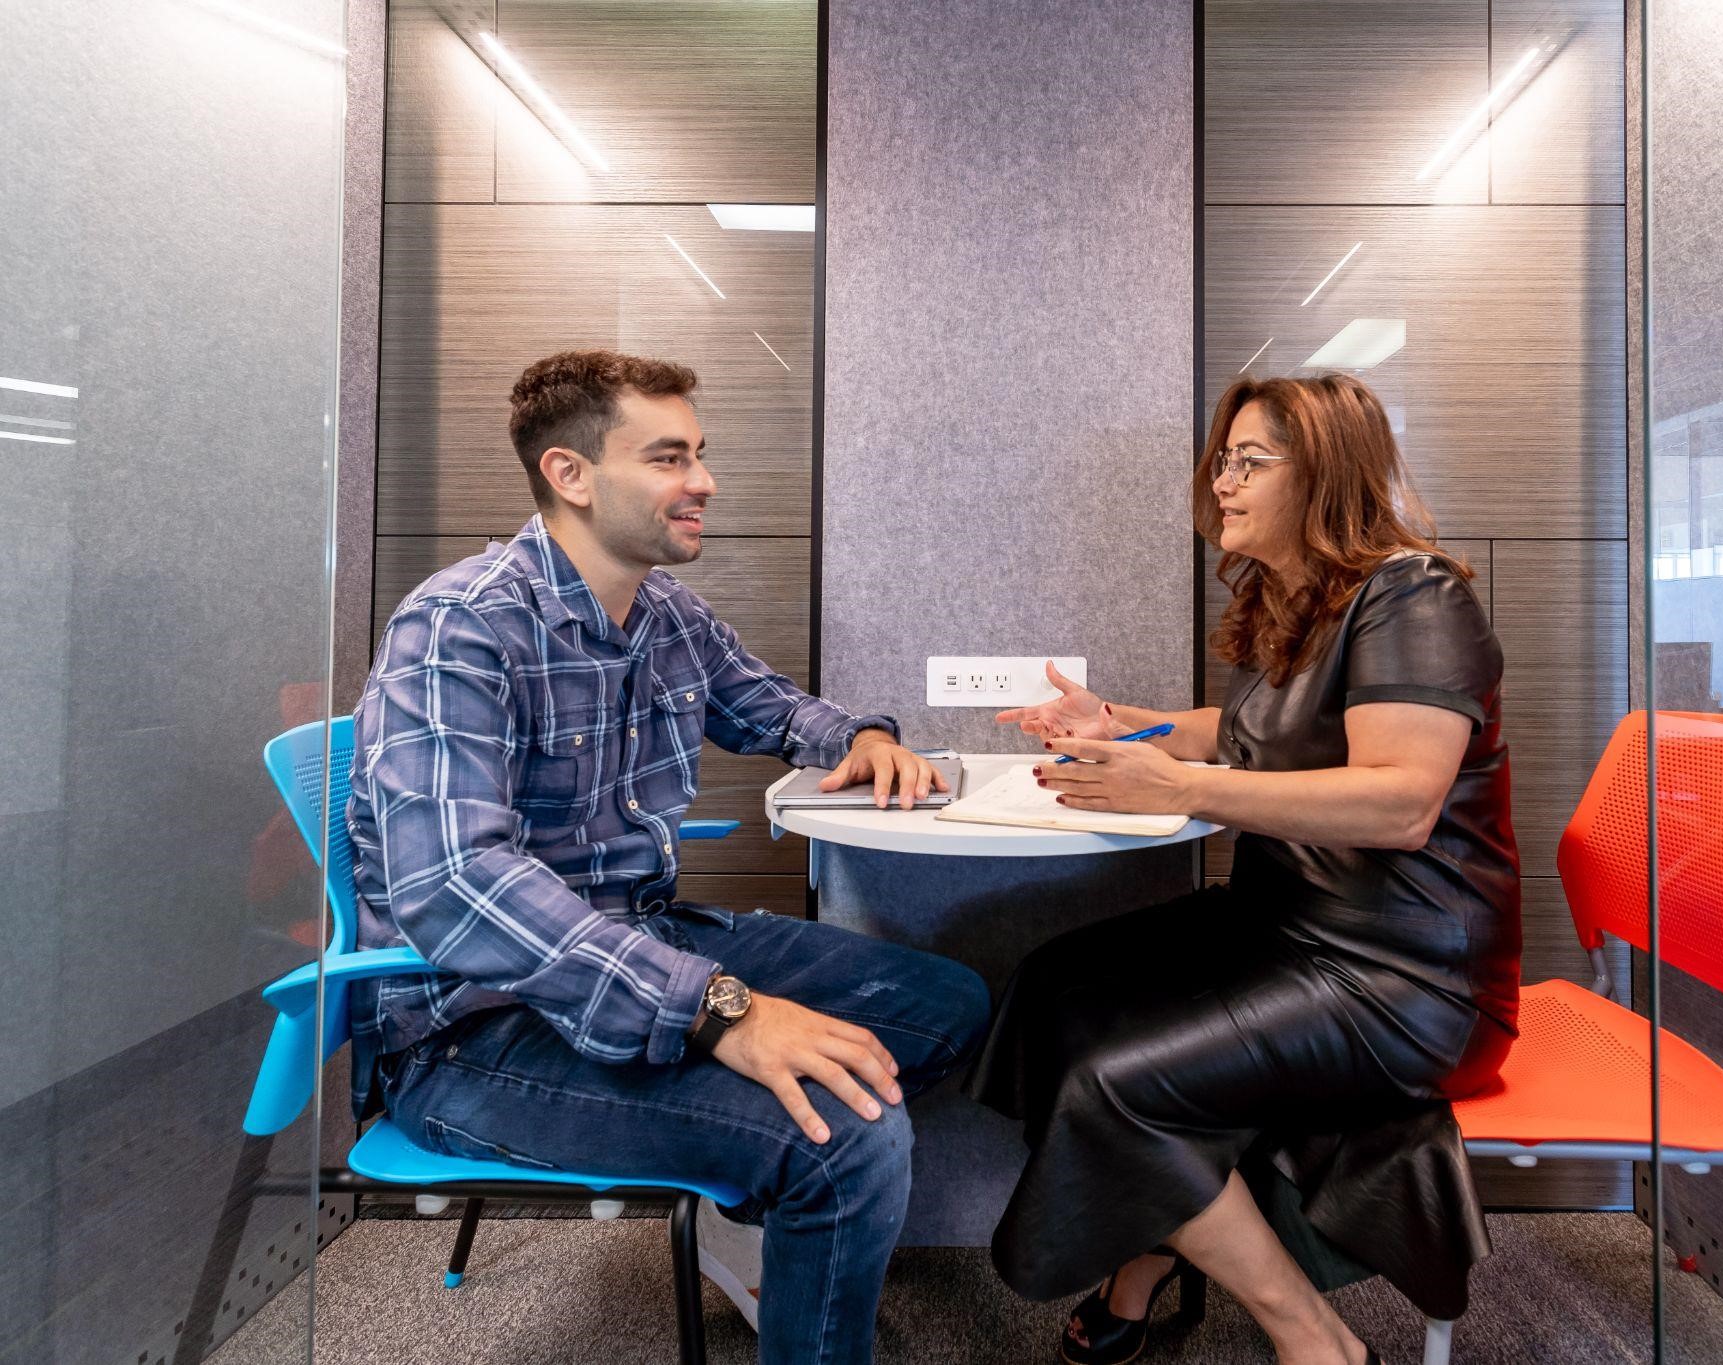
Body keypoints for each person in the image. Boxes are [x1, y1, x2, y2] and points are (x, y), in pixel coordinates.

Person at [347, 349, 991, 1365]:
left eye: (699, 453)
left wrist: (858, 737)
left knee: (949, 1005)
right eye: (667, 456)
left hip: (638, 942)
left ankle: (780, 1222)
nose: (704, 481)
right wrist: (717, 1011)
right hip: (474, 1033)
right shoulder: (459, 626)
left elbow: (770, 706)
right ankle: (800, 1195)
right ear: (569, 475)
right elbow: (455, 884)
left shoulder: (661, 615)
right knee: (845, 1137)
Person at [968, 373, 1520, 1365]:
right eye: (1223, 458)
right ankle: (1155, 1246)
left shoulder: (1413, 594)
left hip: (1402, 977)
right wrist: (1124, 723)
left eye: (1250, 460)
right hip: (1282, 926)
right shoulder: (1299, 599)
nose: (1221, 480)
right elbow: (1256, 729)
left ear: (1324, 472)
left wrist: (1180, 788)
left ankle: (1307, 1335)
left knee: (1115, 1086)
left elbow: (1400, 799)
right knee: (1051, 989)